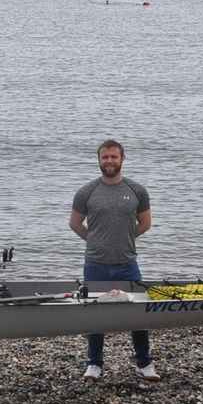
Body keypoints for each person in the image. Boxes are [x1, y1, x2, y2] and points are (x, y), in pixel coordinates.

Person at [69, 139, 158, 383]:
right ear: (99, 160)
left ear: (122, 159)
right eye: (105, 157)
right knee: (95, 315)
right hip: (95, 264)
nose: (109, 161)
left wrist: (123, 240)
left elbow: (145, 224)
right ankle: (94, 364)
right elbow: (75, 224)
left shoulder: (137, 190)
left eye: (113, 157)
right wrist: (96, 241)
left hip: (127, 263)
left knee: (137, 315)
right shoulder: (87, 191)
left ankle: (145, 362)